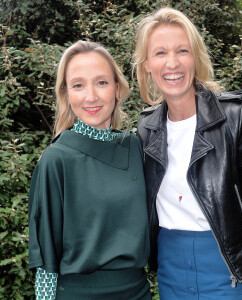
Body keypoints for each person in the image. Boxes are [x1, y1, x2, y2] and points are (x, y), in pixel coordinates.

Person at [134, 7, 242, 300]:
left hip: (230, 270)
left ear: (196, 58)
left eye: (182, 51)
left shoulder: (236, 116)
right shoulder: (146, 128)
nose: (172, 63)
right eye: (160, 53)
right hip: (170, 270)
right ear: (147, 64)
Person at [28, 40, 151, 300]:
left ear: (117, 89)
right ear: (66, 94)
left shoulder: (135, 147)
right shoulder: (55, 160)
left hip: (137, 292)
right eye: (78, 85)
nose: (91, 96)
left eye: (102, 82)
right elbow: (46, 259)